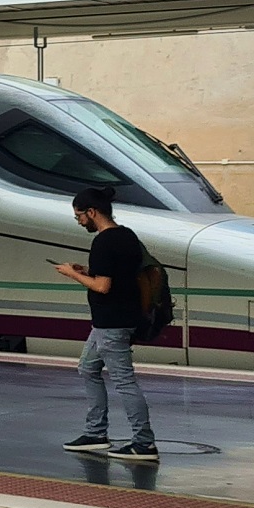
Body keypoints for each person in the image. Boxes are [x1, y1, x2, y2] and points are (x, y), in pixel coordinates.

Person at [53, 185, 158, 462]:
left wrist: (71, 274)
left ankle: (144, 443)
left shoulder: (102, 242)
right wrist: (87, 270)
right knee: (88, 368)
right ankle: (95, 433)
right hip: (117, 320)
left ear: (91, 212)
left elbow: (102, 286)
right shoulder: (127, 235)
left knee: (124, 381)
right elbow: (118, 274)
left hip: (112, 323)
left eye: (79, 216)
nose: (79, 222)